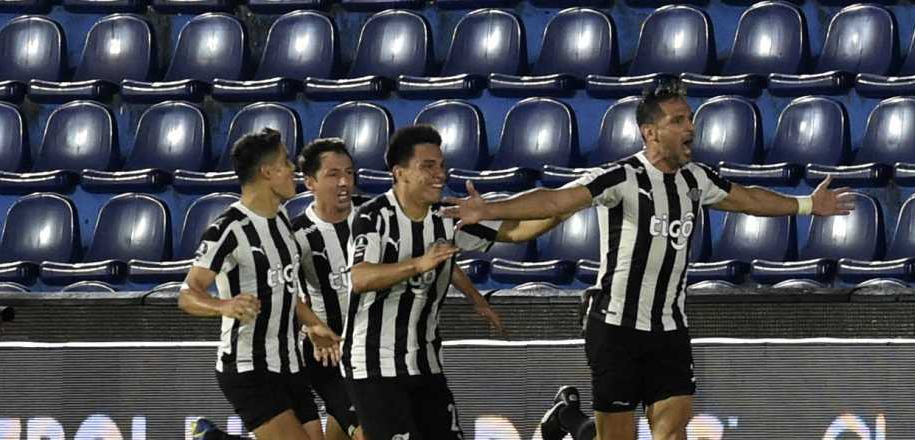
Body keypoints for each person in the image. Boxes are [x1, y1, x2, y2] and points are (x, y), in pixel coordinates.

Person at [441, 82, 855, 440]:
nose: (690, 127)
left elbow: (749, 199)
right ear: (650, 132)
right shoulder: (619, 179)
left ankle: (568, 416)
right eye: (678, 120)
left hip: (670, 329)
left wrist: (806, 205)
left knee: (672, 431)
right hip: (616, 328)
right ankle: (567, 416)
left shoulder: (698, 179)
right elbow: (555, 200)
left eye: (690, 118)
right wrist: (491, 210)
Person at [345, 125, 566, 440]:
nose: (440, 174)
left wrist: (564, 209)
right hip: (374, 365)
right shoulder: (373, 216)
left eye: (442, 165)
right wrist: (419, 264)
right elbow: (360, 277)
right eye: (428, 166)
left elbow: (516, 232)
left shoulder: (446, 215)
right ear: (400, 173)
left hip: (426, 362)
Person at [287, 138, 506, 440]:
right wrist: (311, 326)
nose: (344, 182)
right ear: (310, 182)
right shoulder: (298, 233)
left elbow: (438, 258)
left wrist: (475, 297)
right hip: (331, 351)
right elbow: (283, 290)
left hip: (379, 346)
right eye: (333, 174)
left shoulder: (373, 214)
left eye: (349, 173)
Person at [179, 128, 342, 440]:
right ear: (267, 171)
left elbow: (284, 290)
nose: (293, 169)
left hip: (290, 364)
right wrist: (224, 305)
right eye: (286, 162)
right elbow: (187, 294)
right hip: (248, 368)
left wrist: (313, 325)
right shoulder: (228, 228)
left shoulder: (282, 221)